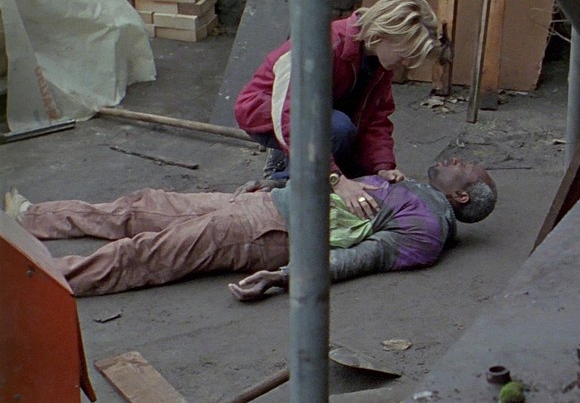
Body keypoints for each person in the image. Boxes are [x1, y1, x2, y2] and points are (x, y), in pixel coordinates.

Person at [3, 159, 496, 299]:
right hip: (265, 202)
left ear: (461, 197)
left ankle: (37, 281)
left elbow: (358, 258)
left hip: (273, 230)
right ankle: (30, 218)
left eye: (464, 168)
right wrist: (272, 184)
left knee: (147, 253)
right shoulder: (409, 185)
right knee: (142, 206)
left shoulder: (426, 231)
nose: (456, 160)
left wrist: (286, 277)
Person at [234, 0, 445, 218]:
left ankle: (296, 168)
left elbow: (376, 117)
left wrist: (382, 166)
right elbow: (294, 118)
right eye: (406, 55)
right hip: (268, 110)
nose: (408, 64)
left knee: (362, 176)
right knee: (339, 130)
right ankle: (281, 185)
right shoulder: (324, 45)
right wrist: (335, 179)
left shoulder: (379, 62)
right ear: (384, 34)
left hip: (325, 111)